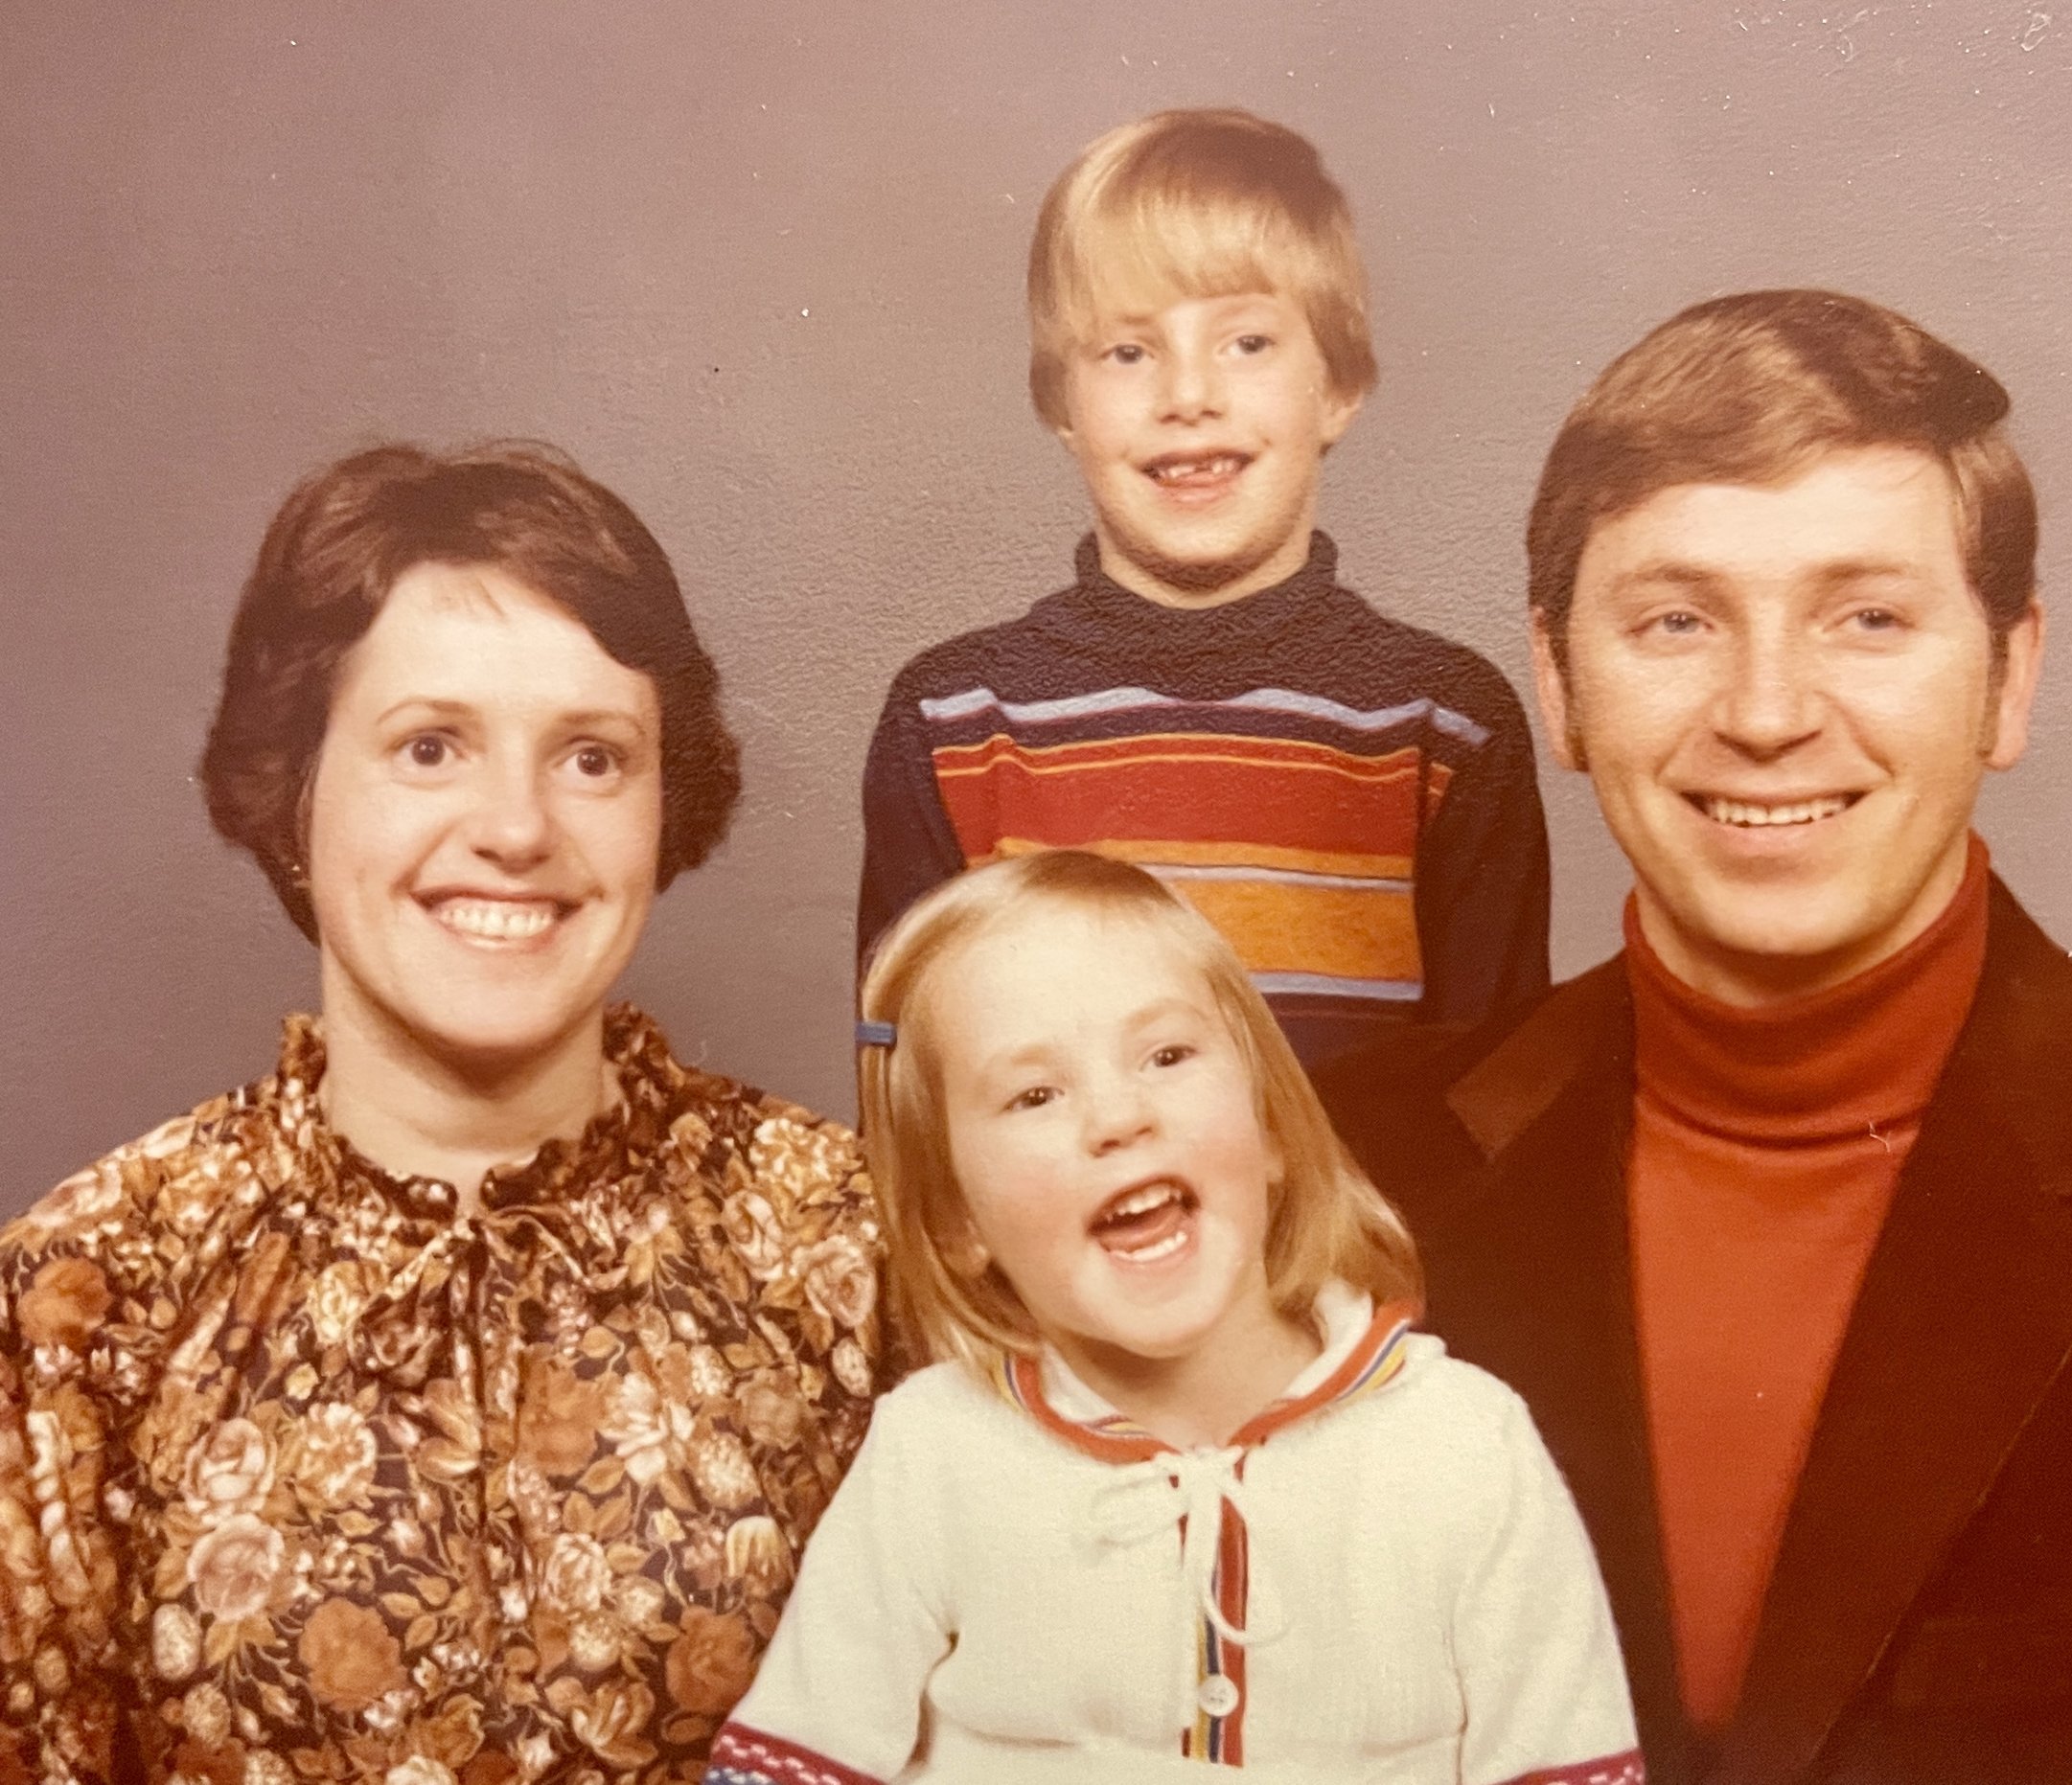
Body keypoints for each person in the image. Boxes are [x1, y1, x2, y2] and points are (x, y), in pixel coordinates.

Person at [1316, 290, 2072, 1783]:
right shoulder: (1338, 1167)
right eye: (1678, 620)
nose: (1766, 711)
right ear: (1560, 683)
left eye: (1867, 617)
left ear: (2007, 678)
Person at [0, 444, 887, 1783]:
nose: (517, 826)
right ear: (294, 790)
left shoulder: (844, 1240)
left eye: (592, 756)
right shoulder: (89, 1293)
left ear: (666, 804)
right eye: (431, 746)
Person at [707, 852, 1642, 1785]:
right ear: (957, 1222)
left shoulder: (1464, 1445)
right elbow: (793, 1766)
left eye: (1166, 1056)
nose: (1117, 1116)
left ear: (1272, 1128)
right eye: (1035, 1095)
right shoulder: (936, 1450)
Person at [856, 108, 1551, 1065]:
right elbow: (911, 1111)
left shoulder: (1443, 728)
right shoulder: (953, 724)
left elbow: (1494, 1126)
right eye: (1128, 352)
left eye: (1247, 343)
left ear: (1338, 387)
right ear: (1062, 402)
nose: (1187, 395)